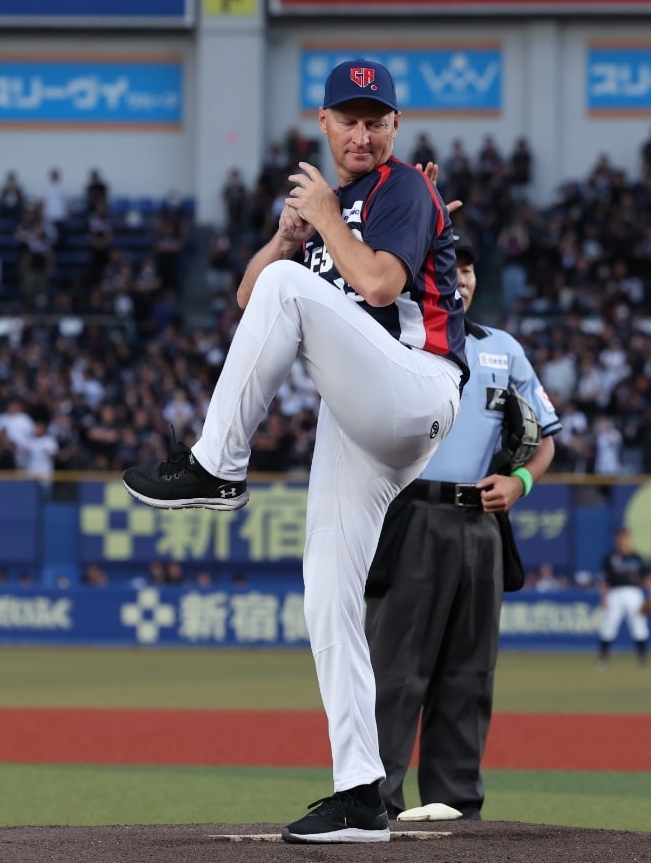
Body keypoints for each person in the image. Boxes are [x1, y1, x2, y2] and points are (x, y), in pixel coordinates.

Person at [121, 58, 465, 844]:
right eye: (349, 117)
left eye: (376, 118)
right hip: (361, 416)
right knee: (326, 588)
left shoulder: (402, 188)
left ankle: (216, 468)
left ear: (395, 128)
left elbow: (379, 284)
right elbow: (251, 302)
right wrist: (284, 237)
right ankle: (359, 793)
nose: (363, 132)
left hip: (415, 383)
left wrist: (326, 223)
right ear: (323, 123)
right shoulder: (321, 215)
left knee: (290, 293)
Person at [365, 231, 560, 824]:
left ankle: (455, 808)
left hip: (481, 521)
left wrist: (519, 483)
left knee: (469, 672)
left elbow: (545, 441)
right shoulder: (391, 338)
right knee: (396, 672)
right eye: (452, 266)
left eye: (470, 269)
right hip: (411, 514)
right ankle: (373, 802)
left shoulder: (503, 349)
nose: (463, 278)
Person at [597, 527, 651, 668]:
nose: (622, 539)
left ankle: (642, 659)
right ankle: (603, 658)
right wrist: (603, 598)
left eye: (625, 537)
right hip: (615, 593)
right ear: (616, 539)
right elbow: (605, 581)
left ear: (630, 538)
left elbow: (649, 578)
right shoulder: (610, 558)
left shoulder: (637, 558)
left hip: (634, 593)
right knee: (609, 625)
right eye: (620, 537)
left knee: (639, 626)